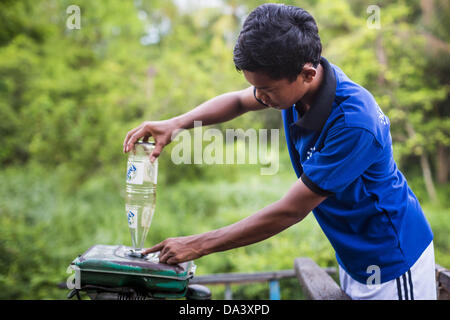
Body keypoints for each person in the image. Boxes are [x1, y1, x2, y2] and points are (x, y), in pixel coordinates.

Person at [122, 4, 436, 300]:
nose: (259, 97)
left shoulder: (355, 124)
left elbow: (291, 210)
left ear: (307, 74)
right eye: (255, 87)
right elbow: (237, 101)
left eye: (267, 90)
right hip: (353, 254)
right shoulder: (293, 85)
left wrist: (198, 244)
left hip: (393, 260)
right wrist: (173, 125)